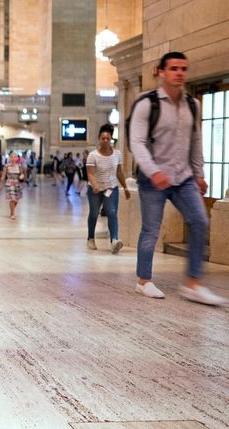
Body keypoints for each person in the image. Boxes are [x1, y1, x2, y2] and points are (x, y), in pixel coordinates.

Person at [130, 51, 227, 306]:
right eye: (173, 68)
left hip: (183, 177)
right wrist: (154, 171)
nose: (179, 73)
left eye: (183, 68)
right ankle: (143, 281)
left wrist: (199, 174)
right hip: (153, 179)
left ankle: (193, 283)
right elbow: (137, 143)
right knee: (151, 229)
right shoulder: (146, 104)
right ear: (162, 72)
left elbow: (195, 142)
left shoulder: (192, 105)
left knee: (199, 221)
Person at [86, 124, 130, 254]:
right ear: (99, 139)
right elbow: (90, 173)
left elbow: (119, 172)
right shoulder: (93, 155)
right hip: (95, 190)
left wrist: (125, 187)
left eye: (108, 138)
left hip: (111, 188)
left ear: (111, 139)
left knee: (111, 212)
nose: (105, 141)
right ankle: (90, 238)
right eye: (103, 138)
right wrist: (95, 185)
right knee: (94, 213)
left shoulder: (117, 154)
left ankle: (114, 241)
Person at [0, 151, 26, 220]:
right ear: (9, 158)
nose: (13, 158)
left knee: (16, 200)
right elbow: (3, 176)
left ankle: (12, 211)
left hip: (17, 184)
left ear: (17, 158)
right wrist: (1, 185)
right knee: (12, 199)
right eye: (11, 157)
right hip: (10, 183)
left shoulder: (19, 166)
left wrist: (22, 176)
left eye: (15, 157)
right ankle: (13, 213)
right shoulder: (6, 166)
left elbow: (22, 174)